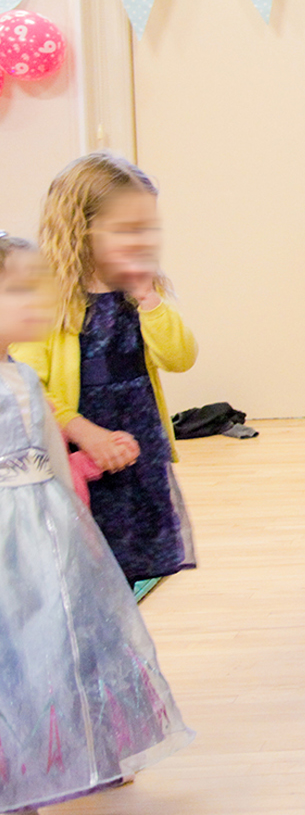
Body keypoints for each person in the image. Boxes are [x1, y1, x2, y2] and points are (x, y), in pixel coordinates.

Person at [0, 233, 191, 815]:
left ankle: (67, 759)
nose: (39, 299)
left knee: (55, 643)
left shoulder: (24, 380)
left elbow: (48, 456)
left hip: (49, 531)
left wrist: (75, 517)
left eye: (39, 287)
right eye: (19, 289)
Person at [12, 152, 197, 586]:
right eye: (127, 229)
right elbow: (27, 385)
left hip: (138, 450)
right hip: (80, 455)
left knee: (131, 562)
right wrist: (85, 433)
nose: (141, 241)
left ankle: (123, 626)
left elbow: (180, 358)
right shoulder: (49, 299)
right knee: (86, 565)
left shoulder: (138, 292)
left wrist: (151, 301)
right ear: (81, 228)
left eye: (147, 229)